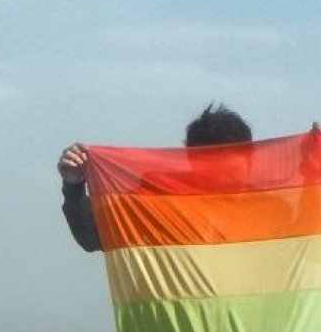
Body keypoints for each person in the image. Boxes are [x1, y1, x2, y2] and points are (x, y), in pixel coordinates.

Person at [57, 103, 254, 252]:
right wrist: (73, 187)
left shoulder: (275, 210)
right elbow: (91, 236)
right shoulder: (157, 202)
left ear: (252, 161)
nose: (228, 188)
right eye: (219, 173)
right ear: (193, 161)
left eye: (234, 176)